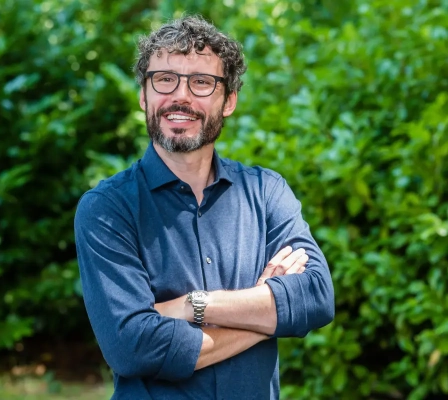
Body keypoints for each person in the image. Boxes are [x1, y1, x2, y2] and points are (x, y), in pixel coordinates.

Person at [74, 15, 334, 399]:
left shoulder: (266, 192)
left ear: (229, 101)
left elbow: (315, 297)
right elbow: (132, 346)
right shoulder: (107, 209)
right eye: (165, 79)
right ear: (144, 95)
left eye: (201, 82)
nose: (180, 96)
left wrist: (192, 305)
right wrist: (265, 311)